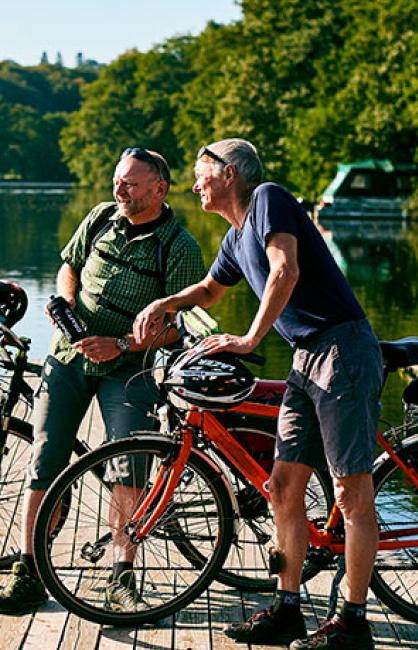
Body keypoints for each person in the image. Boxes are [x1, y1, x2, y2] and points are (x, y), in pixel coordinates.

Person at [133, 139, 383, 650]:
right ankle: (288, 610)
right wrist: (167, 302)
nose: (194, 183)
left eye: (201, 173)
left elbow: (284, 270)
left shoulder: (267, 198)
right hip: (306, 357)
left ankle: (354, 623)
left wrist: (249, 339)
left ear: (230, 174)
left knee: (350, 494)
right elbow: (208, 290)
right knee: (283, 490)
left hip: (342, 349)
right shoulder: (233, 237)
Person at [0, 148, 206, 616]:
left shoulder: (180, 246)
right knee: (44, 458)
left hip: (129, 368)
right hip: (67, 357)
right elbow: (70, 264)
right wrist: (65, 303)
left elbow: (177, 328)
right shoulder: (101, 217)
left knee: (129, 467)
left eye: (129, 183)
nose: (118, 189)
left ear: (159, 189)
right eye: (117, 180)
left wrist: (122, 345)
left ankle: (122, 575)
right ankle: (28, 572)